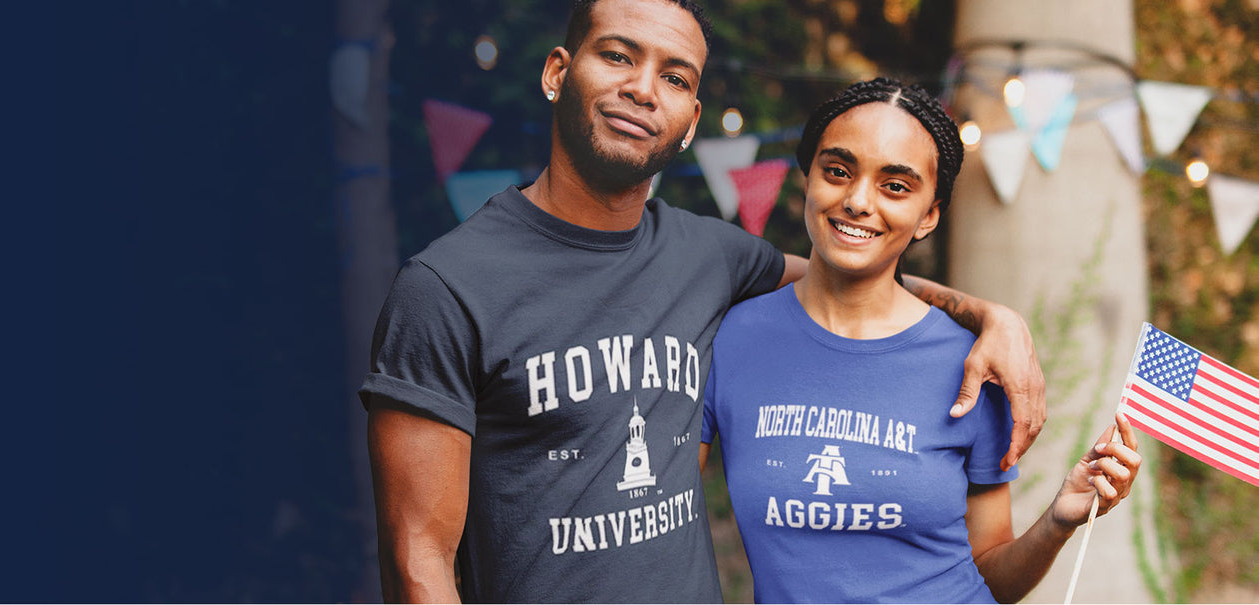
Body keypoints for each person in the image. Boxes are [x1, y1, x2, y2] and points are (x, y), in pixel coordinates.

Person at [360, 1, 1046, 601]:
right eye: (618, 56)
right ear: (557, 72)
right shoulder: (447, 287)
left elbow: (853, 273)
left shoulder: (711, 256)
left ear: (690, 120)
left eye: (675, 77)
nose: (642, 89)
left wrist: (990, 317)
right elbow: (416, 557)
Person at [699, 78, 1142, 603]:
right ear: (808, 178)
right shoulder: (730, 340)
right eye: (837, 171)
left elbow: (991, 577)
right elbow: (666, 522)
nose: (858, 201)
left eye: (895, 186)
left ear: (928, 216)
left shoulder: (975, 362)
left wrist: (1058, 521)